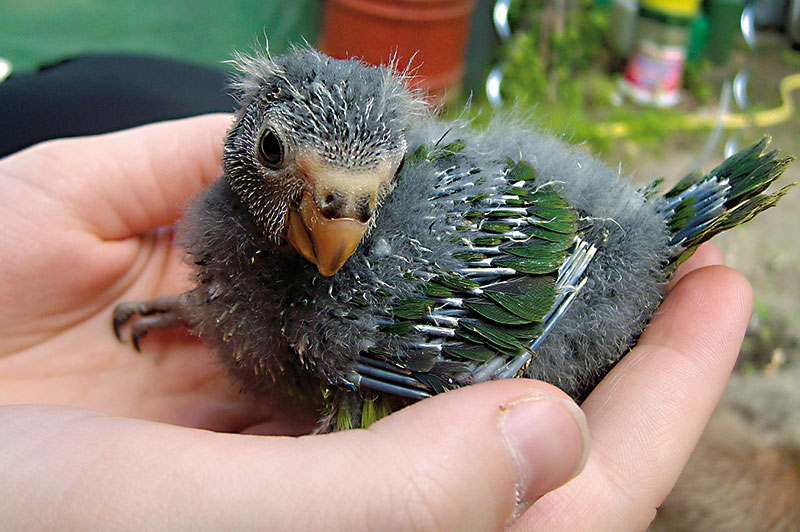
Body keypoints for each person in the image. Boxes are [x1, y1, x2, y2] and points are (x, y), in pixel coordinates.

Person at [0, 114, 752, 531]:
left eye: (371, 188)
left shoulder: (354, 308)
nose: (338, 218)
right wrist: (212, 310)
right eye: (273, 151)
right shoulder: (230, 241)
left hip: (570, 277)